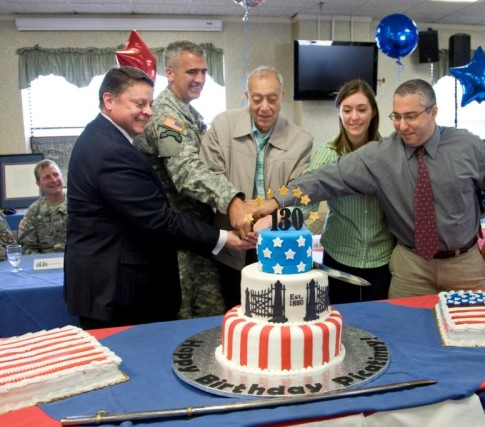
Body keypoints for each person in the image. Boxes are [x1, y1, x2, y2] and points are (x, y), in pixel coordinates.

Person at [262, 79, 485, 297]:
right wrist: (275, 202)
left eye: (411, 116)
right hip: (410, 266)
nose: (402, 125)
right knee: (402, 333)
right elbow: (325, 177)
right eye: (397, 116)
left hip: (464, 263)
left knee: (471, 336)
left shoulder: (467, 146)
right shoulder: (381, 154)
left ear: (433, 112)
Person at [64, 66, 255, 330]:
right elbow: (168, 202)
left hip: (125, 276)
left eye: (150, 104)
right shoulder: (118, 146)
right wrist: (226, 223)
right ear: (109, 101)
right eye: (139, 104)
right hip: (118, 287)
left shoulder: (109, 137)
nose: (149, 112)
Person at [135, 41, 264, 319]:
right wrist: (231, 199)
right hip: (176, 242)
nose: (200, 79)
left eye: (204, 71)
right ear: (169, 73)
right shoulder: (167, 116)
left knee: (213, 318)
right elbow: (186, 171)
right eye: (191, 71)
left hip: (199, 238)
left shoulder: (190, 114)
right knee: (183, 322)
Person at [200, 65, 313, 309]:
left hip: (278, 245)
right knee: (234, 314)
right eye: (257, 98)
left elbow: (301, 193)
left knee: (275, 313)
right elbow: (209, 175)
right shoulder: (223, 126)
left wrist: (275, 218)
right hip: (231, 242)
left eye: (272, 99)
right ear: (246, 96)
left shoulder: (301, 141)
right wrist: (235, 205)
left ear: (282, 96)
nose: (265, 107)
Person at [309, 79, 395, 303]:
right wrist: (278, 219)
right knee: (340, 325)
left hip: (382, 257)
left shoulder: (389, 152)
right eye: (347, 110)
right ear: (339, 112)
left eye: (362, 109)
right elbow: (305, 199)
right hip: (338, 256)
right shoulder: (327, 155)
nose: (354, 117)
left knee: (378, 324)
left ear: (374, 112)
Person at [17, 159, 67, 254]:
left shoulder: (79, 205)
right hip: (44, 265)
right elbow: (27, 247)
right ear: (38, 183)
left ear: (62, 176)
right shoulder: (33, 211)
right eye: (47, 177)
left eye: (56, 174)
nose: (53, 180)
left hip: (75, 262)